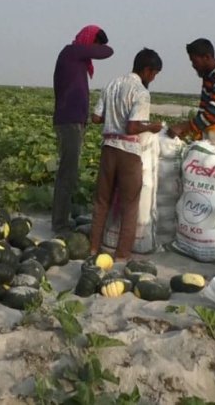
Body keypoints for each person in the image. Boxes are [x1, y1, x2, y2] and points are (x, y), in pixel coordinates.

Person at [89, 48, 164, 261]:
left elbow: (95, 118)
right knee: (130, 204)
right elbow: (132, 128)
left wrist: (113, 120)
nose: (153, 78)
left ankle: (93, 248)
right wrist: (152, 126)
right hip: (128, 153)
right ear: (147, 70)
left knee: (102, 201)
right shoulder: (141, 91)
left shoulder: (112, 84)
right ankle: (122, 255)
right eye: (154, 73)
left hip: (108, 149)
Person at [51, 25, 114, 233]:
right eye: (95, 44)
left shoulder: (77, 58)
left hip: (74, 121)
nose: (95, 51)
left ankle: (63, 218)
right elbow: (107, 52)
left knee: (70, 171)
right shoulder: (72, 51)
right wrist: (100, 47)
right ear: (89, 40)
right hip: (68, 121)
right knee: (66, 173)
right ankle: (59, 223)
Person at [168, 38, 215, 151]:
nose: (193, 65)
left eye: (194, 61)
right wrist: (188, 129)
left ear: (207, 57)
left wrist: (183, 126)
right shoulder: (209, 76)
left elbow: (212, 114)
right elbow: (204, 111)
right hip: (206, 132)